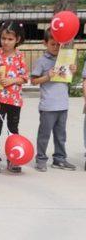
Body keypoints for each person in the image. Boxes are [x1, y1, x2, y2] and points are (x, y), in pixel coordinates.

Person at [32, 29, 76, 172]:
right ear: (45, 43)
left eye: (59, 44)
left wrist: (72, 71)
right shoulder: (42, 61)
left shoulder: (65, 59)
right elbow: (33, 81)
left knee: (61, 135)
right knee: (44, 135)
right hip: (48, 106)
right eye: (53, 44)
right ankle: (41, 159)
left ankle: (59, 159)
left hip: (63, 104)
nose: (56, 47)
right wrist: (47, 76)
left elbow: (66, 80)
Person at [0, 21, 29, 174]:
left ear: (17, 39)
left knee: (13, 129)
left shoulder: (20, 56)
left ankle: (13, 157)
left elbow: (24, 77)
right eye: (3, 38)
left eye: (10, 39)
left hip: (15, 100)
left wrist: (12, 80)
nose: (6, 42)